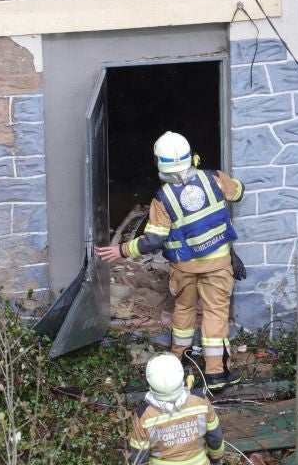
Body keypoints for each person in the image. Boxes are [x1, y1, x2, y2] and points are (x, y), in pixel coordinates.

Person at [96, 131, 244, 391]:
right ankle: (216, 375)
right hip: (218, 263)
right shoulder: (215, 179)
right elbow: (239, 193)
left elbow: (153, 240)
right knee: (215, 314)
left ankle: (178, 358)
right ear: (191, 157)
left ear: (159, 164)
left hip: (184, 267)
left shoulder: (162, 199)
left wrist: (121, 250)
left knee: (184, 309)